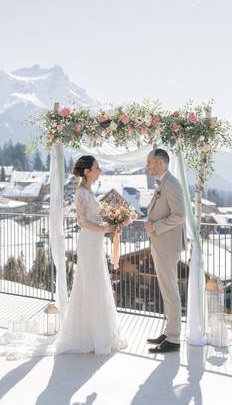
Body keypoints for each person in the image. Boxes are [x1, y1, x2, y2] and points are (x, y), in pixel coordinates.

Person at [52, 155, 126, 355]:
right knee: (90, 283)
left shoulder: (89, 191)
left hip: (95, 242)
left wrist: (116, 220)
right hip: (89, 241)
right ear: (87, 171)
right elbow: (82, 222)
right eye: (97, 167)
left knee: (97, 283)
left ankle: (97, 331)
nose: (99, 170)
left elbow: (94, 217)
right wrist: (106, 228)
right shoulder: (81, 193)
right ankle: (90, 335)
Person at [144, 149, 186, 354]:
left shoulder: (171, 183)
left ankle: (174, 338)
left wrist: (156, 226)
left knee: (170, 290)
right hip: (161, 244)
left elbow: (180, 216)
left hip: (167, 245)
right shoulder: (164, 183)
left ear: (161, 163)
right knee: (166, 290)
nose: (147, 166)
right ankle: (169, 332)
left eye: (150, 162)